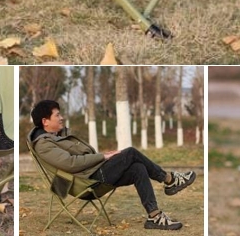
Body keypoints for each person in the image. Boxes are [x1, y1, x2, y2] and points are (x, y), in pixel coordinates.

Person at [29, 99, 196, 231]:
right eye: (57, 115)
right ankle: (169, 179)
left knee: (138, 168)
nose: (61, 118)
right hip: (86, 183)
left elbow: (79, 158)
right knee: (130, 153)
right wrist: (102, 157)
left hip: (93, 174)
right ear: (45, 121)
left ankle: (154, 216)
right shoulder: (44, 144)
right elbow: (70, 164)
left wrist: (103, 157)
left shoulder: (56, 137)